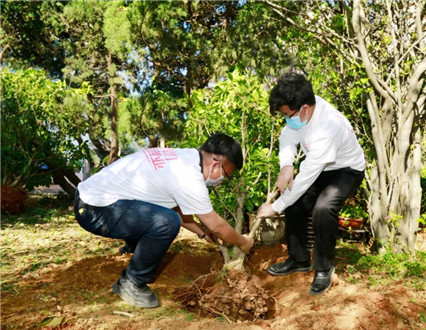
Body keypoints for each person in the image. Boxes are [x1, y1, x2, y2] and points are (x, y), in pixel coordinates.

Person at [74, 132, 254, 308]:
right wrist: (242, 241)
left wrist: (201, 232)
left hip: (91, 199)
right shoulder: (189, 177)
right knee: (166, 222)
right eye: (226, 175)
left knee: (165, 216)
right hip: (96, 210)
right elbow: (216, 225)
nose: (221, 181)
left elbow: (175, 205)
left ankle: (136, 248)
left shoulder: (184, 158)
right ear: (216, 165)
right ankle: (132, 282)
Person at [257, 72, 365, 295]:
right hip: (322, 165)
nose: (287, 118)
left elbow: (306, 177)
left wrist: (275, 208)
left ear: (304, 108)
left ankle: (324, 268)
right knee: (296, 204)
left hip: (347, 169)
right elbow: (288, 136)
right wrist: (286, 165)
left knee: (323, 209)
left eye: (288, 114)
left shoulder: (328, 127)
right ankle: (299, 259)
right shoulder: (303, 113)